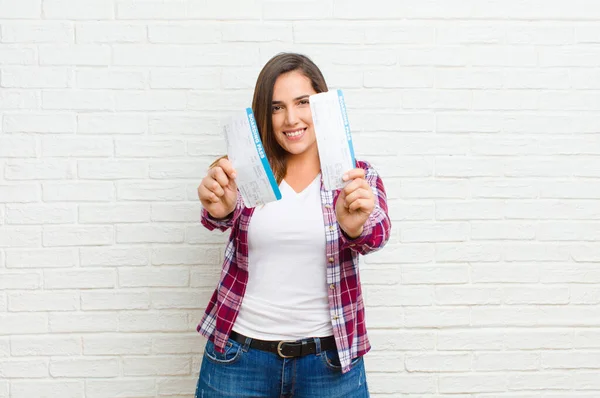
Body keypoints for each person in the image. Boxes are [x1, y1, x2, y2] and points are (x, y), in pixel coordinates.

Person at [195, 52, 391, 398]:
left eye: (303, 102)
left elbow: (377, 233)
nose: (291, 118)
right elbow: (216, 217)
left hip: (329, 364)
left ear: (323, 106)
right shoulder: (247, 171)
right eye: (276, 107)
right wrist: (221, 208)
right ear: (264, 115)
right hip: (239, 359)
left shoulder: (355, 175)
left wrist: (353, 228)